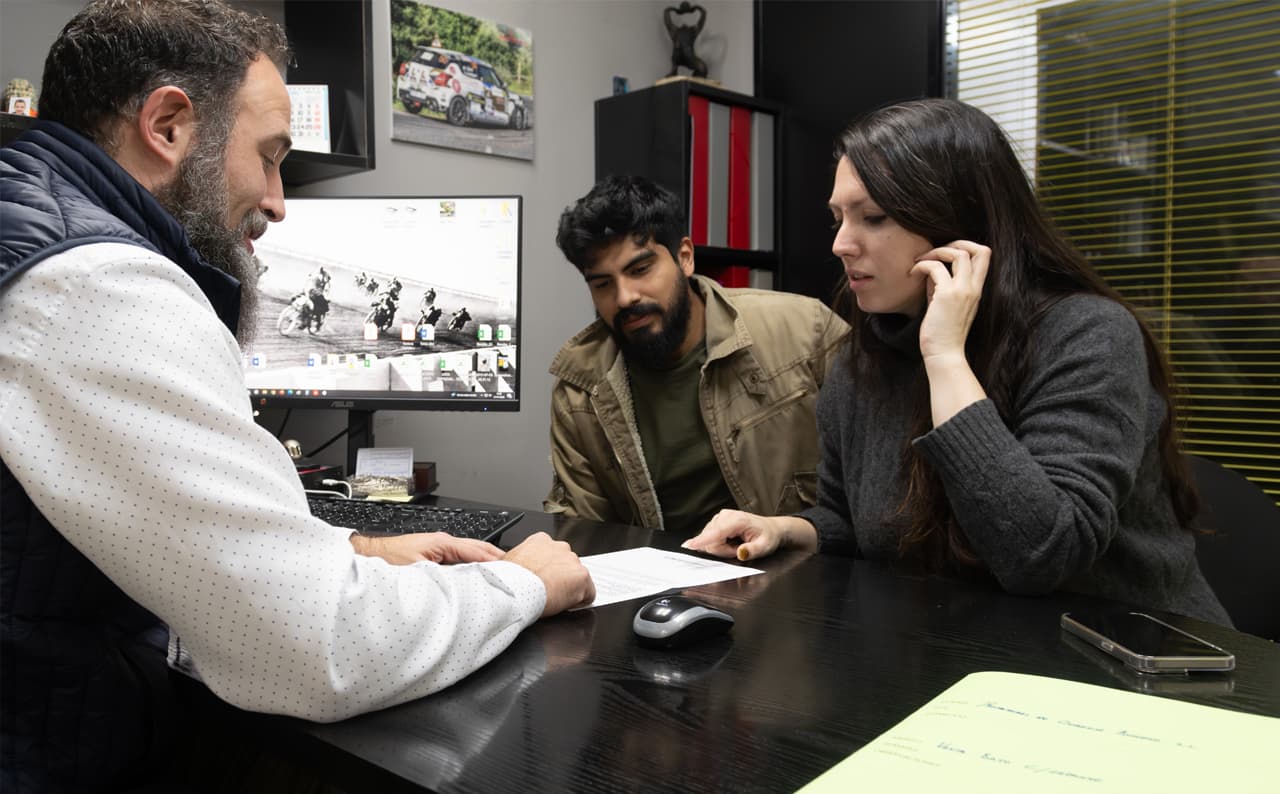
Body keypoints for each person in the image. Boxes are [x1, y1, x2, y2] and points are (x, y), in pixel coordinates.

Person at [0, 1, 593, 789]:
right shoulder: (95, 284)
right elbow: (319, 648)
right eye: (271, 156)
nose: (280, 201)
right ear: (169, 126)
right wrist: (525, 583)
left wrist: (351, 547)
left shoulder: (33, 222)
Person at [685, 99, 1229, 625]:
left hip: (1130, 661)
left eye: (873, 217)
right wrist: (786, 529)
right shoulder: (864, 358)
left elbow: (1042, 552)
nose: (842, 245)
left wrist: (945, 357)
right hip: (968, 654)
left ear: (959, 225)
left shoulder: (1088, 334)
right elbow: (856, 522)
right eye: (838, 219)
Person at [546, 175, 849, 537]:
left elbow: (871, 493)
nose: (625, 297)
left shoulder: (805, 330)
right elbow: (582, 533)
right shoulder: (580, 390)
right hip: (663, 585)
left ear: (685, 257)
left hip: (801, 571)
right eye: (602, 284)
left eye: (640, 269)